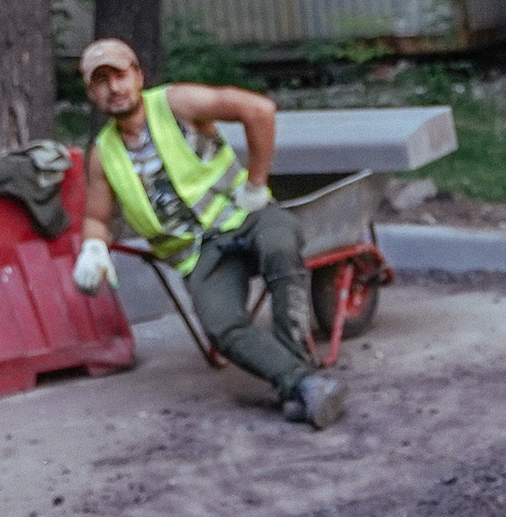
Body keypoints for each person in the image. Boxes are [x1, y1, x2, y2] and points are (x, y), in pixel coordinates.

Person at [71, 39, 346, 430]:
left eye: (119, 75)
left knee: (281, 247)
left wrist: (256, 183)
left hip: (244, 216)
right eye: (101, 82)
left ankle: (299, 373)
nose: (113, 88)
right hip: (199, 253)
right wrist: (93, 247)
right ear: (91, 94)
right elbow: (97, 217)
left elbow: (259, 110)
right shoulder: (103, 154)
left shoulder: (175, 104)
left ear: (138, 75)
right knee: (222, 326)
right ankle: (305, 383)